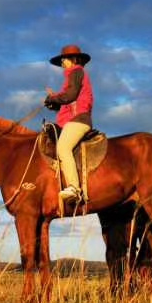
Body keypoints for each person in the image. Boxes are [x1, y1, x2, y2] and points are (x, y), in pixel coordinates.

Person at [44, 44, 94, 202]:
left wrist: (54, 98)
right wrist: (53, 102)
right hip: (73, 120)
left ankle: (74, 188)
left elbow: (70, 96)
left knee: (63, 148)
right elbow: (66, 98)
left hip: (79, 119)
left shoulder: (77, 72)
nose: (62, 63)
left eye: (64, 59)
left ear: (73, 59)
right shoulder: (72, 75)